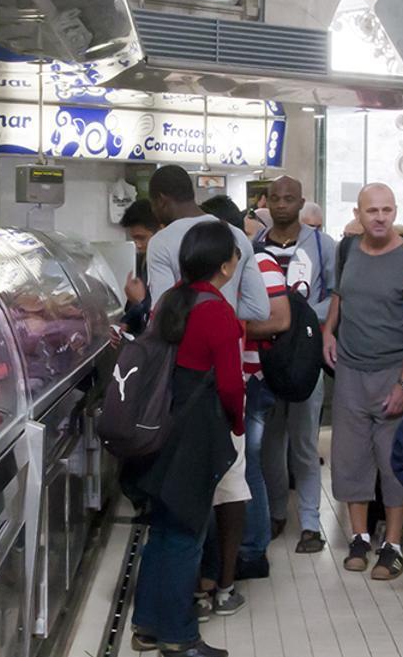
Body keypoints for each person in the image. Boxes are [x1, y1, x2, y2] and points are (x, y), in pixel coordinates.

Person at [128, 220, 246, 657]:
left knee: (162, 528)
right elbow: (231, 385)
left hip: (159, 426)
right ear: (225, 265)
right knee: (186, 533)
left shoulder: (171, 300)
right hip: (196, 432)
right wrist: (236, 425)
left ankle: (146, 625)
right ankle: (179, 635)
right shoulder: (216, 311)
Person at [322, 183, 403, 581]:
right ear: (358, 214)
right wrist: (328, 331)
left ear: (395, 212)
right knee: (350, 459)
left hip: (392, 371)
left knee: (393, 462)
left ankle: (392, 545)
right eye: (372, 211)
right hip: (350, 371)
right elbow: (340, 294)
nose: (380, 217)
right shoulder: (348, 250)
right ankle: (359, 538)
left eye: (386, 210)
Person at [195, 195, 289, 603]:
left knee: (246, 465)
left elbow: (280, 318)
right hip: (230, 378)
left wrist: (230, 327)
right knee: (237, 468)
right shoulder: (217, 274)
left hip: (251, 378)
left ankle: (252, 548)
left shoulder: (259, 262)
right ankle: (235, 554)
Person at [253, 176, 336, 554]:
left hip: (304, 354)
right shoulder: (255, 247)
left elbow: (336, 295)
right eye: (275, 198)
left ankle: (311, 523)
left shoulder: (322, 245)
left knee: (304, 442)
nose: (282, 204)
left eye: (289, 198)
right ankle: (275, 513)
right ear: (266, 202)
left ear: (301, 202)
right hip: (266, 356)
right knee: (270, 442)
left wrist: (300, 315)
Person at [147, 165, 270, 323]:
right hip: (227, 336)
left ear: (161, 200)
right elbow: (259, 309)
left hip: (187, 338)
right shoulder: (236, 234)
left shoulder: (161, 242)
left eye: (152, 204)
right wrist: (225, 307)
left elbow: (163, 312)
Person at [120, 200, 160, 336]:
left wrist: (141, 302)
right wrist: (125, 322)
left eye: (142, 238)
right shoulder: (141, 260)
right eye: (134, 239)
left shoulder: (169, 266)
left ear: (161, 231)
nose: (137, 245)